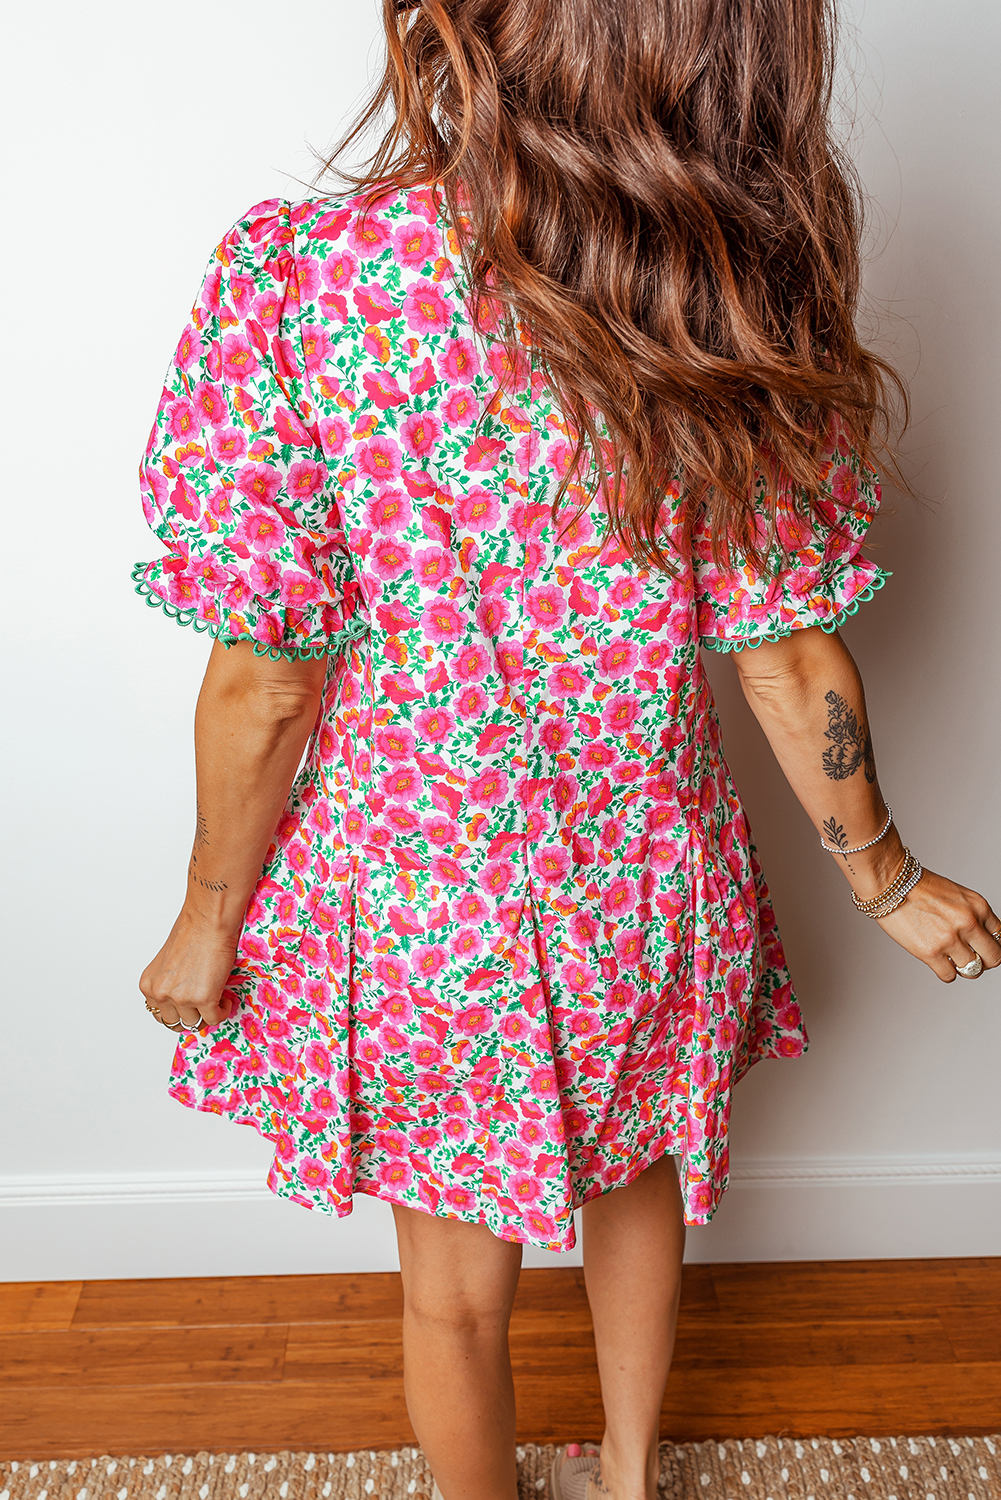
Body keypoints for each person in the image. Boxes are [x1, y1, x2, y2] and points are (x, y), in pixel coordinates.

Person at [135, 2, 999, 1498]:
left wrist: (208, 921)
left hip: (421, 903)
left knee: (452, 1295)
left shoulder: (299, 274)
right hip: (647, 880)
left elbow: (267, 681)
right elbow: (788, 654)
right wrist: (888, 879)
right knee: (637, 1176)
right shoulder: (725, 277)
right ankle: (627, 1476)